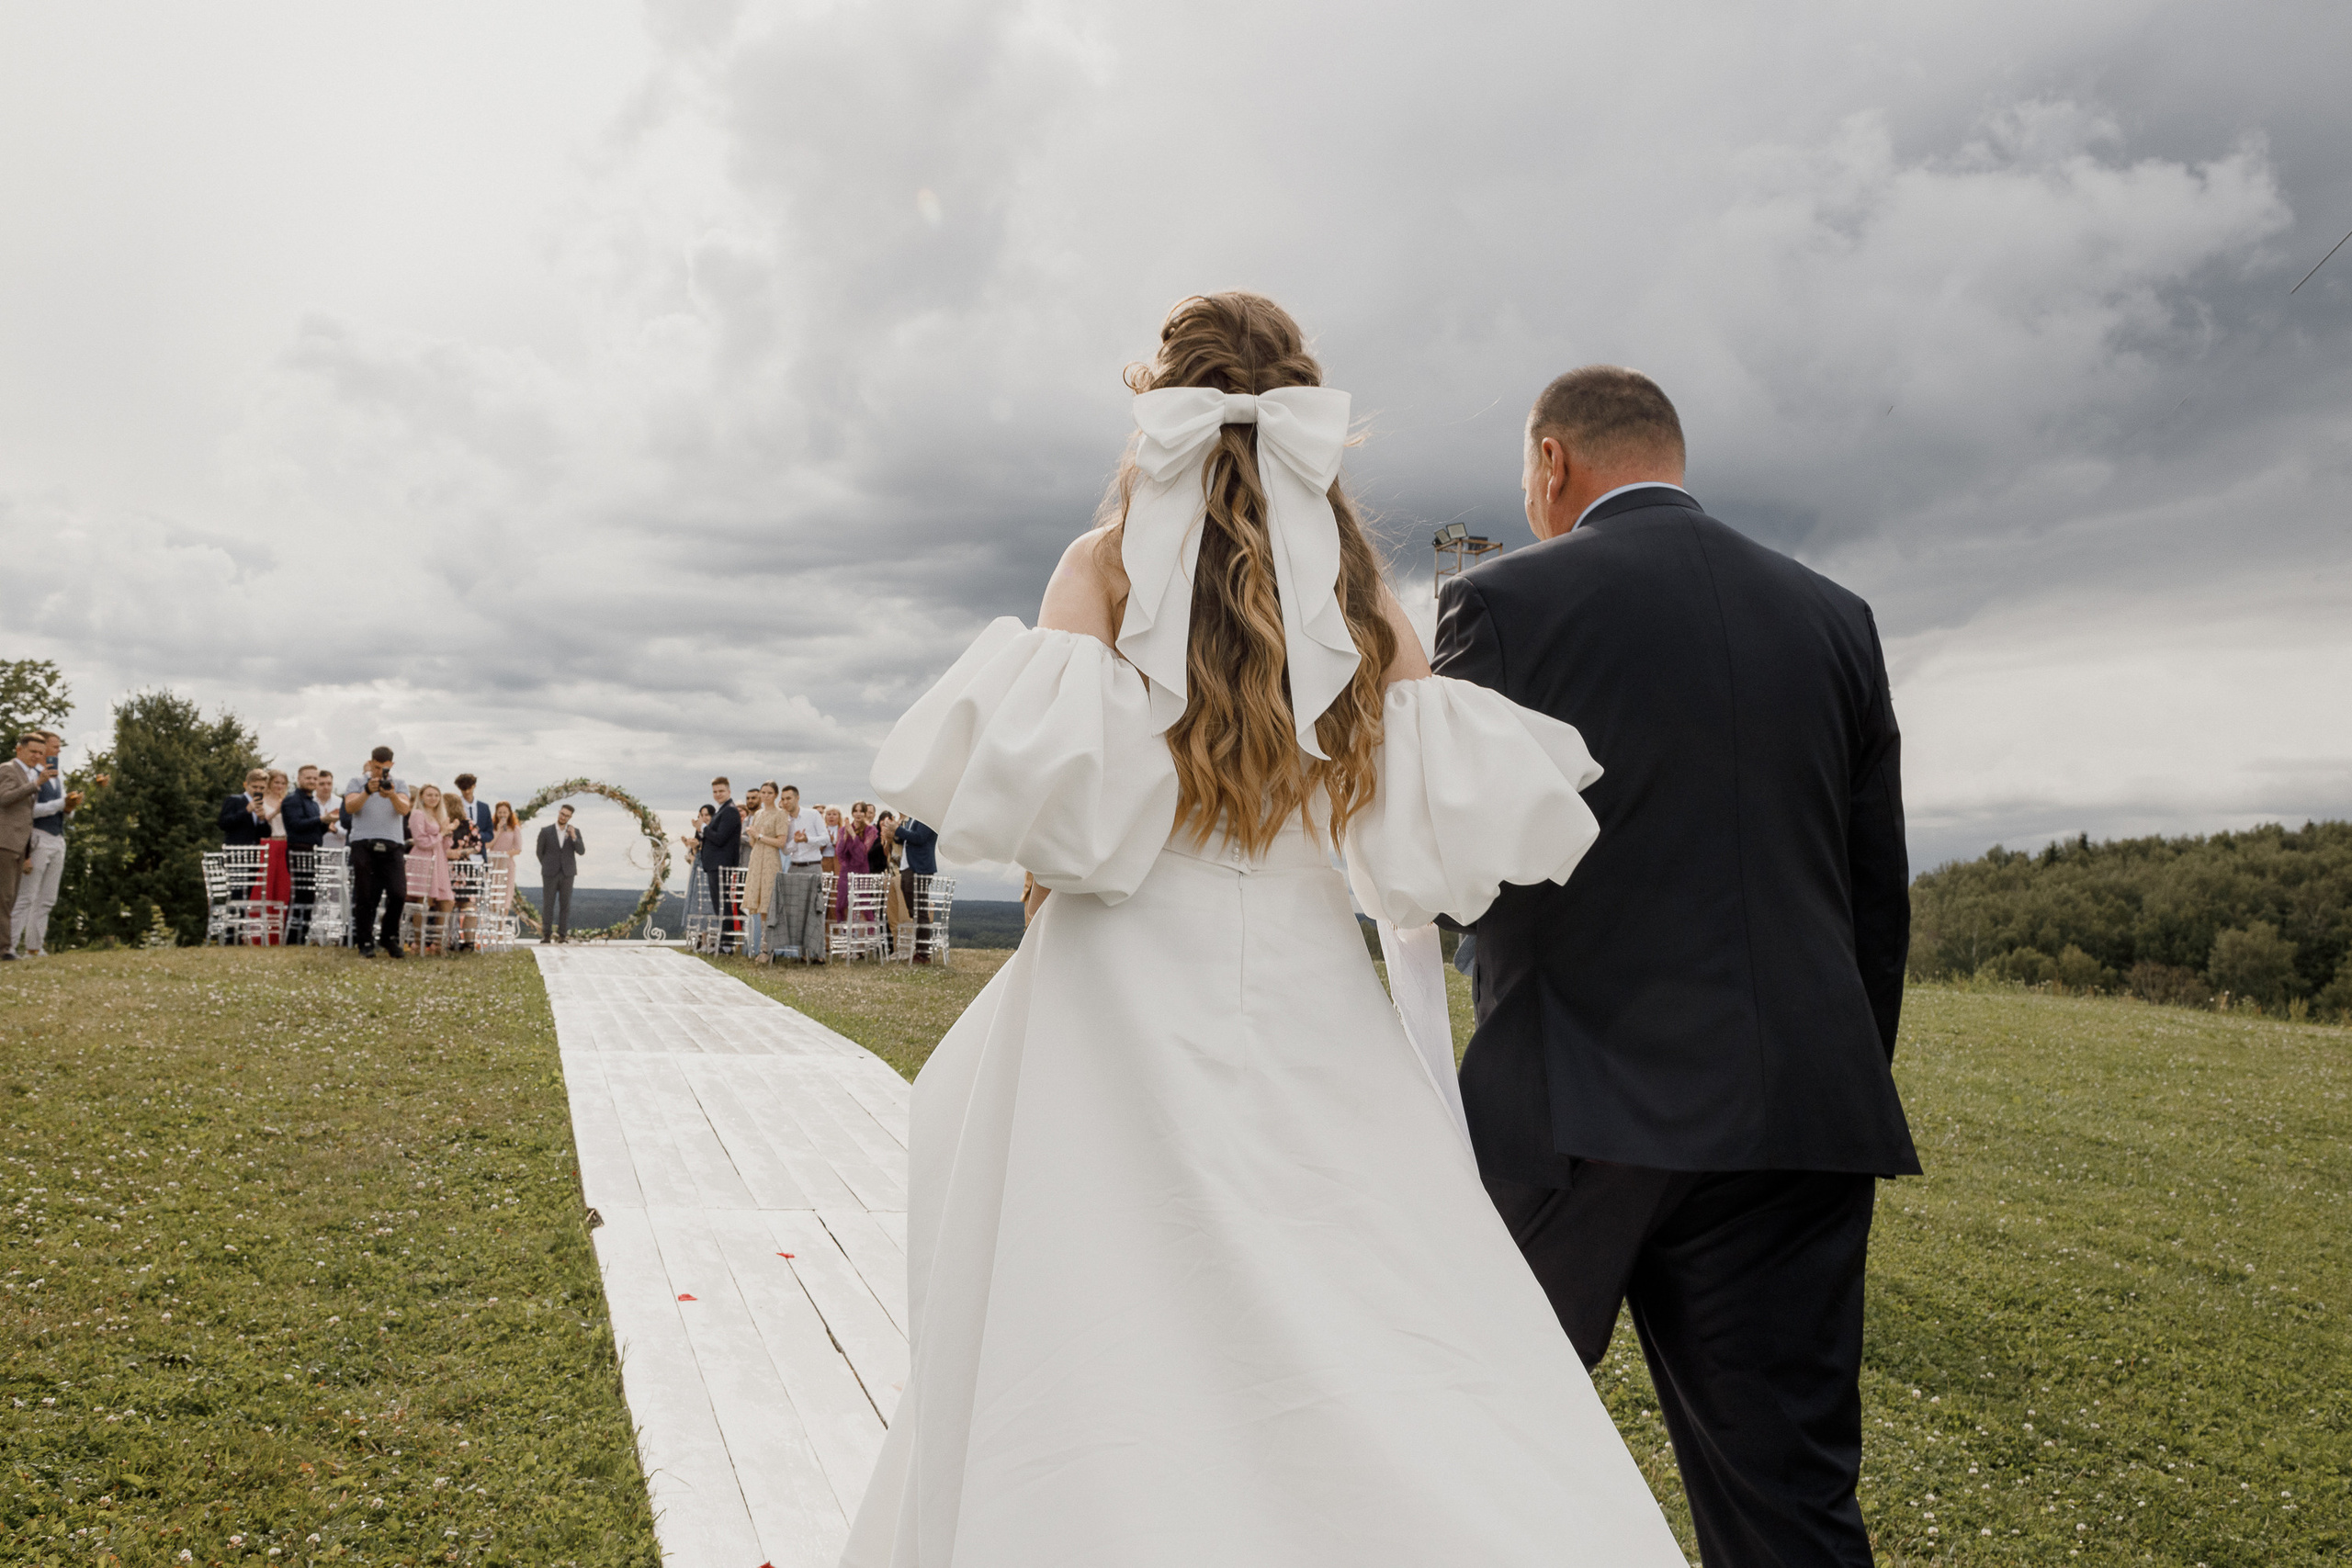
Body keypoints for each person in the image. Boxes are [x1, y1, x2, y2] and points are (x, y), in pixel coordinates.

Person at [845, 293, 1682, 1565]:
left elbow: (1061, 816)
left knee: (1095, 1302)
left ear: (1160, 401)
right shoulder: (1350, 586)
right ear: (1305, 413)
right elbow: (1422, 809)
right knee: (1352, 1282)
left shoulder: (1105, 562)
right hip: (1298, 973)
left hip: (1115, 979)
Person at [1434, 365, 1917, 1568]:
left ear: (1552, 461)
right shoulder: (1834, 616)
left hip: (1576, 1109)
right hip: (1800, 1109)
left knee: (1468, 1432)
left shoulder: (1502, 604)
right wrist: (1827, 1075)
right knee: (1789, 1499)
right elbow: (1875, 895)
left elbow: (1455, 852)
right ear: (1671, 453)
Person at [8, 730, 83, 958]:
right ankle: (8, 946)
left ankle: (34, 947)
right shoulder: (31, 777)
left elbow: (62, 813)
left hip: (58, 838)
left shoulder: (56, 776)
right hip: (37, 838)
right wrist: (61, 803)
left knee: (47, 898)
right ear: (42, 749)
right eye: (54, 746)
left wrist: (70, 806)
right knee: (27, 896)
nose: (58, 751)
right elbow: (31, 811)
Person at [342, 748, 411, 957]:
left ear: (392, 765)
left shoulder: (399, 784)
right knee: (365, 894)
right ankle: (365, 941)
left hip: (392, 844)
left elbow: (404, 809)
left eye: (385, 768)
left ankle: (388, 936)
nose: (381, 772)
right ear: (371, 763)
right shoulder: (356, 781)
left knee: (398, 893)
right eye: (378, 767)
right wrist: (367, 792)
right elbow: (350, 807)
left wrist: (391, 796)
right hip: (364, 842)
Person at [767, 784, 831, 963]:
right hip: (794, 866)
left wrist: (807, 839)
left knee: (815, 909)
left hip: (812, 866)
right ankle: (802, 953)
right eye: (783, 799)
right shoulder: (784, 820)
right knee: (796, 911)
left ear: (797, 798)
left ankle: (818, 954)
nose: (786, 802)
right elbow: (786, 850)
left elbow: (825, 839)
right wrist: (796, 842)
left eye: (789, 798)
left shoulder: (812, 815)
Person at [0, 732, 47, 961]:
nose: (37, 756)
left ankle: (6, 948)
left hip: (18, 845)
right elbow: (4, 798)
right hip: (4, 842)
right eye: (33, 751)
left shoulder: (29, 774)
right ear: (19, 749)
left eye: (41, 753)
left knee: (10, 897)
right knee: (5, 897)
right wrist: (35, 785)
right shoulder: (8, 769)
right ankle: (5, 949)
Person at [406, 784, 458, 954]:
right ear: (422, 796)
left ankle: (437, 942)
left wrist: (448, 833)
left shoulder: (438, 815)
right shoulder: (417, 814)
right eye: (429, 795)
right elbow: (421, 840)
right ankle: (418, 943)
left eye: (436, 795)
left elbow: (444, 845)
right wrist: (441, 833)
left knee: (447, 900)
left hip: (439, 861)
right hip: (423, 859)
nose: (433, 798)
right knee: (423, 901)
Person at [741, 783, 786, 960]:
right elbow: (753, 843)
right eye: (763, 792)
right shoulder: (758, 814)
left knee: (768, 902)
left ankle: (767, 947)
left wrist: (759, 835)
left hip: (770, 858)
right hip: (757, 857)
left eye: (769, 793)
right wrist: (753, 835)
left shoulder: (780, 814)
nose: (766, 796)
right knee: (759, 902)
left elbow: (781, 842)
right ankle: (760, 946)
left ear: (775, 795)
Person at [537, 804, 584, 943]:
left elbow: (581, 851)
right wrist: (547, 865)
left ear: (570, 817)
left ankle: (562, 935)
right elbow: (540, 852)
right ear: (559, 813)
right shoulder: (546, 831)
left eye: (566, 816)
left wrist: (574, 837)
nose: (563, 817)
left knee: (565, 904)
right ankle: (546, 934)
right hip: (550, 872)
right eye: (562, 814)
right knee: (548, 904)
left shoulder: (575, 831)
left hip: (568, 873)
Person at [894, 815, 938, 963]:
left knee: (920, 910)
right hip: (908, 867)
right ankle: (919, 946)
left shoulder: (928, 816)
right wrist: (895, 833)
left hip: (919, 868)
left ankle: (923, 953)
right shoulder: (914, 817)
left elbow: (919, 838)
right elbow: (906, 839)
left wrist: (898, 829)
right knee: (913, 909)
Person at [699, 777, 741, 924]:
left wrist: (703, 828)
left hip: (721, 864)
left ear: (729, 791)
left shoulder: (730, 811)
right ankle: (724, 940)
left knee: (723, 904)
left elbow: (720, 838)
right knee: (718, 905)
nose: (718, 794)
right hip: (714, 865)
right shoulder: (721, 811)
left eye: (721, 791)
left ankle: (727, 943)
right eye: (715, 791)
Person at [831, 800, 879, 922]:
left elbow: (862, 853)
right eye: (856, 811)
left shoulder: (870, 830)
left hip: (862, 870)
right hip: (846, 871)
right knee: (843, 903)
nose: (858, 814)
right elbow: (840, 852)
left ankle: (861, 939)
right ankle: (848, 935)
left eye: (861, 811)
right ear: (852, 813)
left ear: (865, 813)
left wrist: (853, 835)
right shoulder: (843, 829)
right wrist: (845, 836)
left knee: (862, 905)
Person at [453, 773, 493, 855]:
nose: (467, 791)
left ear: (474, 786)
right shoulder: (454, 807)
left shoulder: (484, 807)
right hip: (460, 855)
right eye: (463, 788)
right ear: (459, 788)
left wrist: (476, 836)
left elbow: (490, 834)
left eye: (469, 788)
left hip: (480, 854)